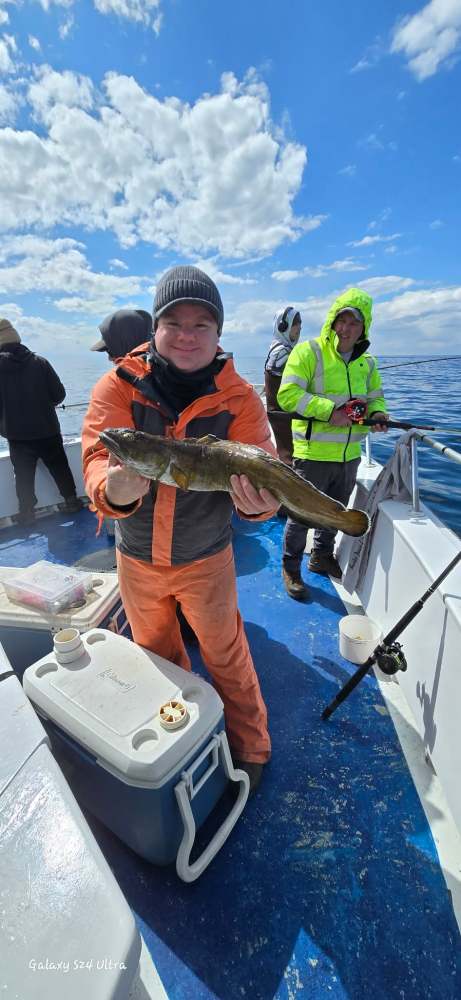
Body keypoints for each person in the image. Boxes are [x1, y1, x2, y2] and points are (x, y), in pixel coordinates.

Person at [82, 266, 280, 794]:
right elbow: (98, 457)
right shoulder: (116, 384)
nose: (188, 335)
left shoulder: (239, 399)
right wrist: (111, 488)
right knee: (156, 657)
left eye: (202, 324)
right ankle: (179, 742)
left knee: (226, 655)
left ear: (218, 334)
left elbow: (263, 468)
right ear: (156, 329)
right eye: (174, 321)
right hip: (138, 559)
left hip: (206, 558)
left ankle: (252, 746)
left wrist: (260, 507)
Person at [277, 288, 388, 600]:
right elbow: (287, 395)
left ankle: (321, 556)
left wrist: (378, 414)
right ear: (332, 321)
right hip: (312, 453)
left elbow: (376, 397)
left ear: (364, 328)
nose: (346, 328)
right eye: (342, 320)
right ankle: (291, 566)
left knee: (337, 511)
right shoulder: (308, 352)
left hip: (350, 454)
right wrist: (330, 412)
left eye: (355, 323)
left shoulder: (368, 363)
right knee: (301, 514)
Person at [0, 318, 83, 527]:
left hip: (17, 435)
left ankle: (27, 513)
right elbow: (59, 394)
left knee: (23, 476)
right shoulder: (40, 362)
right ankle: (72, 501)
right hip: (48, 429)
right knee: (60, 467)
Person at [264, 307, 302, 464]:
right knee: (288, 455)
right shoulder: (282, 352)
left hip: (281, 412)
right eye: (295, 323)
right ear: (283, 326)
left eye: (300, 323)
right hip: (282, 413)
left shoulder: (279, 348)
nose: (299, 327)